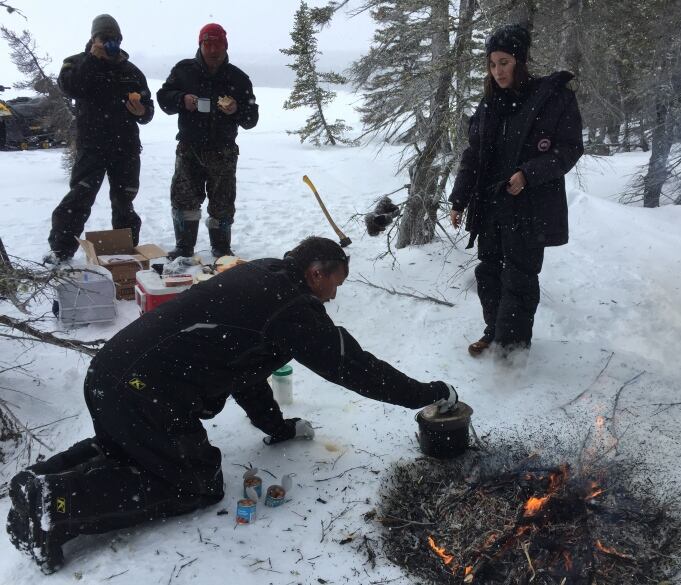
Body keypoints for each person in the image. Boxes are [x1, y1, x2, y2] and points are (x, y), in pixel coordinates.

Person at [6, 236, 458, 573]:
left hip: (115, 374)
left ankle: (39, 479)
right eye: (335, 283)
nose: (334, 295)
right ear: (316, 273)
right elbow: (356, 368)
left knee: (132, 449)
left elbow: (245, 363)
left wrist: (275, 426)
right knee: (194, 484)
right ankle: (57, 502)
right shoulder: (292, 310)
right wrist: (426, 394)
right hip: (144, 390)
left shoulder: (263, 274)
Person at [448, 24, 583, 358]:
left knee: (520, 277)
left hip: (530, 206)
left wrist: (527, 173)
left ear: (520, 61)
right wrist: (459, 199)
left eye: (504, 62)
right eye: (492, 64)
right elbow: (473, 155)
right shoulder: (490, 104)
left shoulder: (553, 98)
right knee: (489, 272)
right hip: (491, 205)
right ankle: (493, 334)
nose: (498, 71)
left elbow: (569, 149)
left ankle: (513, 347)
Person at [44, 14, 154, 265]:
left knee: (124, 200)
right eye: (105, 39)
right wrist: (94, 59)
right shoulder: (76, 63)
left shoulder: (131, 71)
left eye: (115, 39)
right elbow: (70, 87)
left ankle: (125, 250)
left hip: (125, 146)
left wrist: (141, 111)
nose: (110, 44)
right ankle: (61, 251)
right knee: (79, 198)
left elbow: (148, 110)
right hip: (91, 146)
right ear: (93, 38)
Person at [157, 23, 259, 260]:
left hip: (223, 152)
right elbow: (163, 99)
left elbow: (251, 118)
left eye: (218, 45)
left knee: (222, 203)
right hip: (189, 149)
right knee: (184, 201)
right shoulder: (183, 71)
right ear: (200, 45)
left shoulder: (238, 78)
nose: (213, 50)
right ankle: (184, 248)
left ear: (225, 46)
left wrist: (236, 109)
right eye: (208, 44)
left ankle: (221, 249)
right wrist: (182, 99)